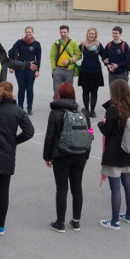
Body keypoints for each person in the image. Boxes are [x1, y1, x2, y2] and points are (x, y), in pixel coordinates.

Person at [0, 82, 34, 236]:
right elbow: (29, 132)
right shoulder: (17, 111)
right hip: (6, 154)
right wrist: (14, 141)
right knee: (3, 192)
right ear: (11, 92)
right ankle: (1, 225)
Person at [44, 83, 90, 233]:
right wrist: (86, 154)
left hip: (61, 155)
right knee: (77, 188)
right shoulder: (82, 111)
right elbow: (89, 134)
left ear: (59, 94)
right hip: (79, 153)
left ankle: (60, 223)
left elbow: (50, 136)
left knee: (62, 189)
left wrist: (47, 156)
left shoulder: (55, 112)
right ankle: (76, 222)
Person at [98, 80, 130, 230]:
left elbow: (107, 131)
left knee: (115, 188)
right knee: (128, 183)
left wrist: (102, 123)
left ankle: (114, 221)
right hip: (128, 150)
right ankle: (129, 215)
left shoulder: (113, 108)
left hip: (114, 152)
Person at [8, 26, 42, 115]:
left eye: (30, 32)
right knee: (21, 88)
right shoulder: (19, 42)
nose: (28, 34)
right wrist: (11, 65)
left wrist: (37, 70)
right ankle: (20, 107)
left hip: (31, 68)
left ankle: (29, 108)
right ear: (25, 33)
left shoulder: (36, 44)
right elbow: (11, 52)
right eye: (27, 32)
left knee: (29, 88)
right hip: (20, 68)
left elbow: (38, 58)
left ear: (33, 33)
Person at [77, 27, 105, 118]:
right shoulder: (82, 44)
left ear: (95, 35)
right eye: (90, 33)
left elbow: (104, 56)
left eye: (93, 34)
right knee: (85, 91)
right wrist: (72, 58)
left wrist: (109, 63)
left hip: (96, 71)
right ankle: (86, 110)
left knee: (94, 91)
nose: (91, 35)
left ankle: (92, 110)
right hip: (85, 70)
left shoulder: (99, 45)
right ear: (87, 34)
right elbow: (76, 53)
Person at [49, 25, 81, 95]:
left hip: (69, 69)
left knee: (68, 90)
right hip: (58, 69)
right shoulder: (56, 43)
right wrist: (54, 69)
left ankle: (67, 102)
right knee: (57, 89)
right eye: (61, 32)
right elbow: (52, 57)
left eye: (64, 32)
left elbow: (79, 54)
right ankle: (57, 101)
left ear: (68, 32)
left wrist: (70, 60)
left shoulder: (73, 42)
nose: (63, 34)